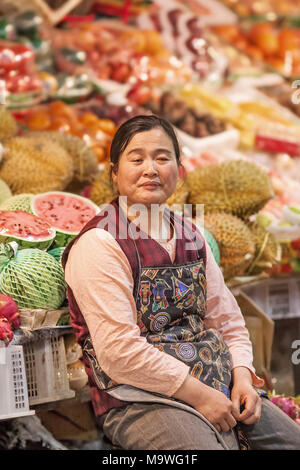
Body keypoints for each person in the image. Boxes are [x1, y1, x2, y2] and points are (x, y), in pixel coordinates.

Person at [62, 115, 300, 450]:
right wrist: (200, 397)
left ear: (179, 170)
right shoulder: (100, 244)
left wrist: (243, 376)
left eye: (162, 158)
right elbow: (119, 353)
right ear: (114, 173)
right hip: (139, 399)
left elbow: (228, 320)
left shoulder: (193, 235)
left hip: (216, 382)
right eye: (136, 158)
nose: (151, 169)